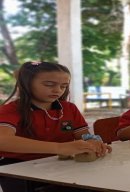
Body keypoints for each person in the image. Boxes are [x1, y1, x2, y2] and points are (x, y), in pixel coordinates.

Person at [0, 61, 112, 192]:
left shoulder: (69, 108)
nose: (57, 90)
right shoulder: (11, 110)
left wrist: (93, 141)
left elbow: (83, 134)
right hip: (18, 168)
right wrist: (59, 148)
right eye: (49, 84)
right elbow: (3, 140)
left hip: (59, 164)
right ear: (26, 84)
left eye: (63, 86)